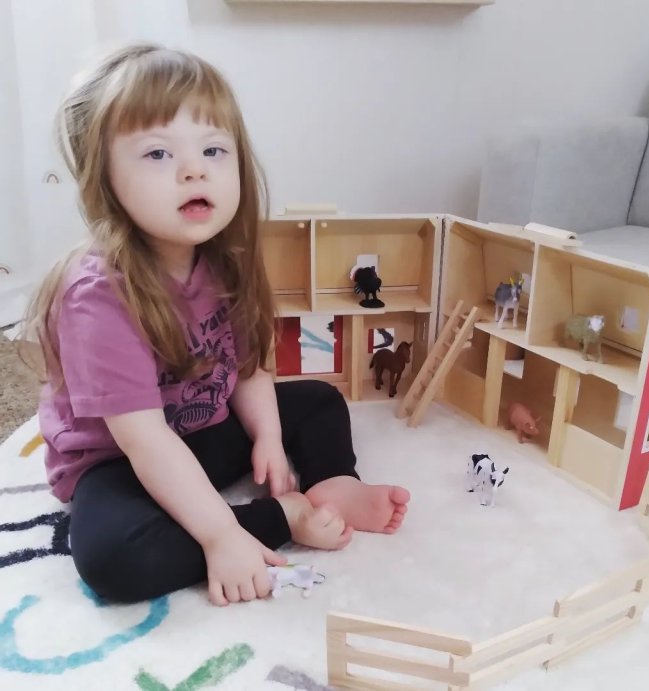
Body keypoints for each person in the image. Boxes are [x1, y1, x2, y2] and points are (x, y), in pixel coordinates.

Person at [21, 44, 410, 606]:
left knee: (319, 401)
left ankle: (333, 484)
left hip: (199, 427)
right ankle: (282, 516)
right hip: (119, 459)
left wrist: (269, 437)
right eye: (158, 153)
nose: (194, 169)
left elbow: (245, 367)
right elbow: (145, 441)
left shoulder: (223, 261)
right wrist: (222, 534)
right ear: (104, 179)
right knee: (114, 560)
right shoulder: (99, 296)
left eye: (213, 149)